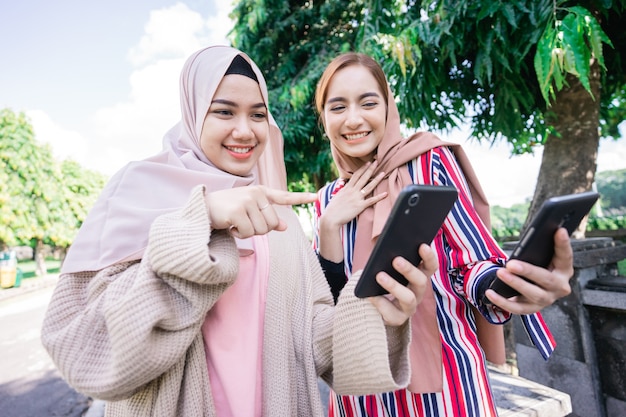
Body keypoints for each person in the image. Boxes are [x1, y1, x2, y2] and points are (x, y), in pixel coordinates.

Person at [41, 46, 439, 417]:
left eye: (258, 114)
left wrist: (370, 312)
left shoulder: (276, 220)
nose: (246, 131)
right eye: (225, 112)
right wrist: (201, 218)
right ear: (194, 114)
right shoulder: (138, 192)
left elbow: (314, 346)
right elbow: (86, 352)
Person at [312, 52, 574, 416]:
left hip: (446, 379)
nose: (353, 119)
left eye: (368, 102)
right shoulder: (328, 199)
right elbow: (329, 304)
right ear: (323, 119)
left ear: (387, 108)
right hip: (362, 388)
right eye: (337, 107)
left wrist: (508, 284)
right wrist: (328, 226)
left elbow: (469, 261)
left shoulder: (427, 160)